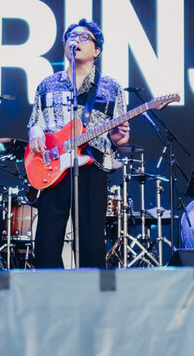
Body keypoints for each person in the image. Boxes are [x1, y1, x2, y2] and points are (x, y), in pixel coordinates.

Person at [27, 19, 130, 268]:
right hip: (53, 166)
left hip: (93, 164)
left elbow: (122, 136)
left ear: (97, 51)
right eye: (71, 37)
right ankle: (48, 293)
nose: (75, 40)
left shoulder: (111, 87)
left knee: (92, 238)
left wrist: (119, 137)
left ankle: (91, 296)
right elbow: (35, 123)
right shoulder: (47, 85)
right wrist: (35, 132)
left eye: (84, 37)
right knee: (47, 239)